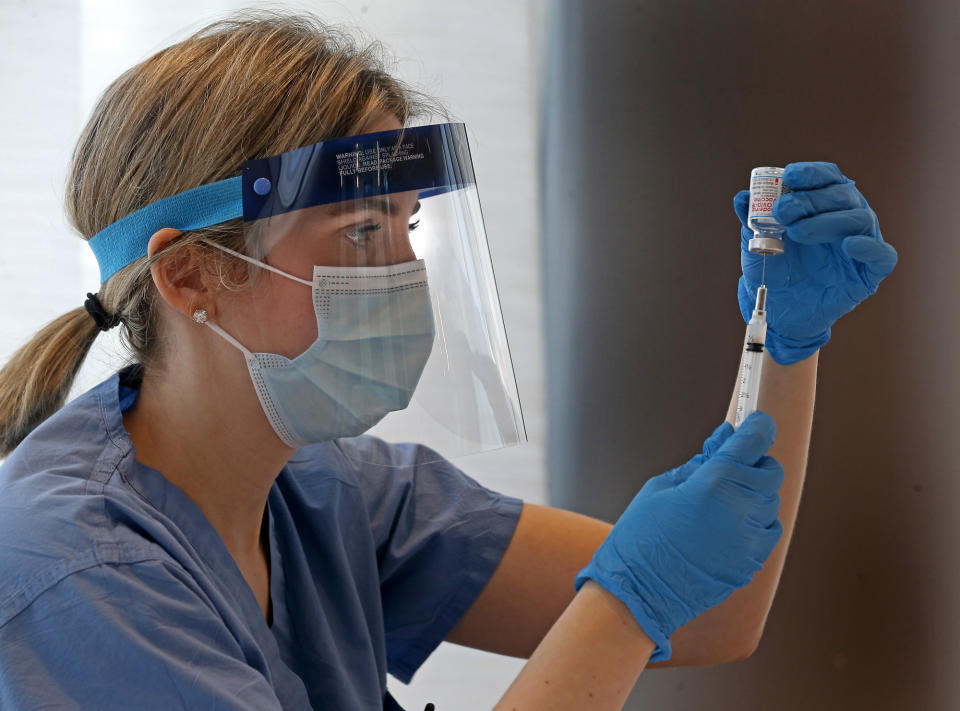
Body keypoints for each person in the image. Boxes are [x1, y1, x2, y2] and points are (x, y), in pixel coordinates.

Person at [0, 11, 896, 711]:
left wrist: (784, 345)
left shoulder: (326, 492)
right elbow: (651, 602)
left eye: (407, 227)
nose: (402, 272)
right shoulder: (82, 575)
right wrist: (626, 598)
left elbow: (712, 612)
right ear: (190, 276)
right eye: (360, 230)